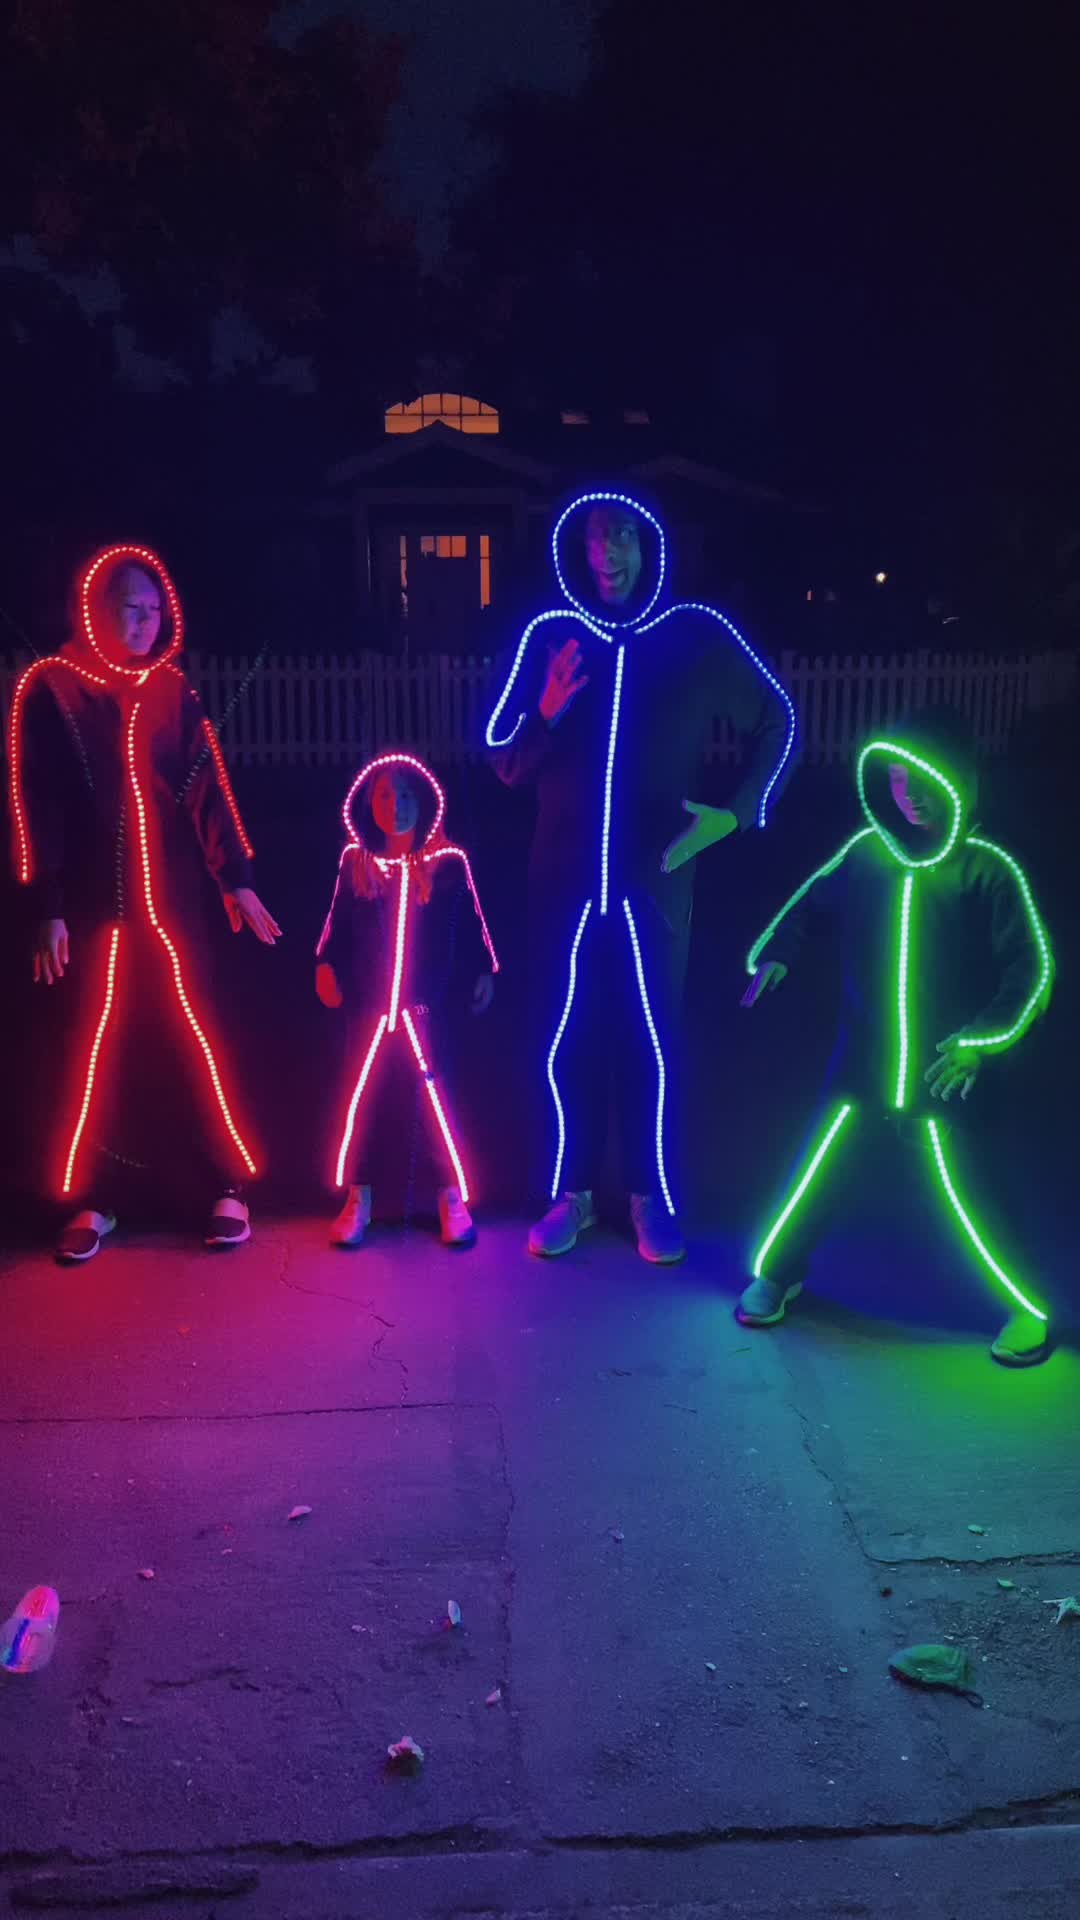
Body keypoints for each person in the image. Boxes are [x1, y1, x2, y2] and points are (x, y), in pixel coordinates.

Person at [486, 489, 795, 1262]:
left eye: (621, 535)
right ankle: (571, 1193)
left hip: (656, 885)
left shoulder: (693, 636)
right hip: (561, 886)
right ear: (576, 548)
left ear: (648, 544)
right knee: (567, 1039)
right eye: (594, 537)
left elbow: (778, 720)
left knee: (650, 1041)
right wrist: (545, 712)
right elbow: (503, 760)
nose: (607, 554)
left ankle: (650, 1195)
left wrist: (735, 815)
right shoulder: (551, 635)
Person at [738, 709, 1054, 1365]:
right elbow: (811, 904)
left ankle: (1027, 1306)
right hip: (864, 1058)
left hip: (945, 1066)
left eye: (924, 780)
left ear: (955, 781)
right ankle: (779, 1272)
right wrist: (777, 954)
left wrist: (979, 1041)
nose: (909, 794)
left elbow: (1030, 970)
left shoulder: (987, 869)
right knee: (819, 1175)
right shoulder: (867, 854)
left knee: (975, 1195)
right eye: (899, 779)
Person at [9, 543, 280, 1260]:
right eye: (132, 608)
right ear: (96, 609)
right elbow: (38, 803)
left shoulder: (171, 691)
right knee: (94, 1049)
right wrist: (48, 904)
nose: (145, 623)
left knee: (196, 1041)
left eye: (155, 610)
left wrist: (235, 876)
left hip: (172, 905)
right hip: (93, 908)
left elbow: (205, 785)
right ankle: (95, 1197)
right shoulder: (55, 688)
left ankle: (224, 1185)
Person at [316, 751, 498, 1249]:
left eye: (404, 795)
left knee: (437, 1099)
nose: (395, 805)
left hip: (426, 1005)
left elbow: (474, 921)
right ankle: (359, 1196)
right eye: (383, 795)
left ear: (423, 802)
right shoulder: (357, 864)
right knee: (362, 1099)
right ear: (368, 804)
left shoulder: (447, 863)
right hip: (369, 1005)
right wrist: (325, 964)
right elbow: (335, 923)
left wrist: (485, 968)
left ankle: (450, 1196)